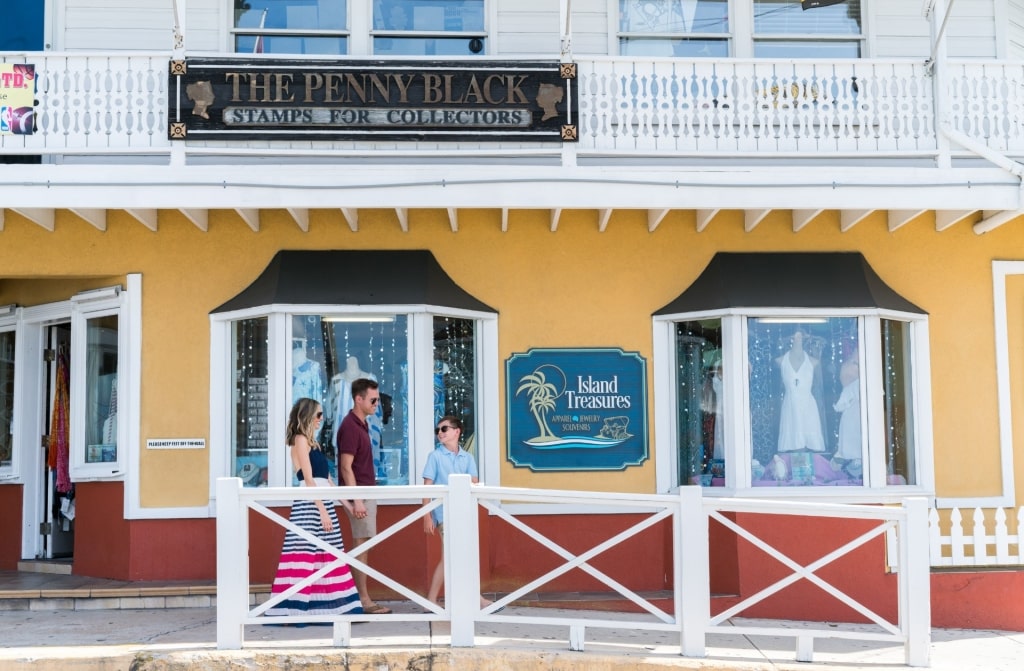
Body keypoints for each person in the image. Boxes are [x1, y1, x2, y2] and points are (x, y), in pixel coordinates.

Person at [266, 398, 362, 618]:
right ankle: (297, 609)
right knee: (305, 554)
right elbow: (309, 480)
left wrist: (346, 504)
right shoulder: (300, 440)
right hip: (310, 505)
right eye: (318, 415)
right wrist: (322, 510)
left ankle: (331, 607)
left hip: (322, 501)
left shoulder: (314, 443)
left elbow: (327, 480)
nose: (321, 419)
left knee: (328, 555)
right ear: (308, 416)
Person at [421, 415, 492, 608]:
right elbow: (427, 486)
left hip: (464, 514)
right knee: (451, 556)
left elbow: (474, 484)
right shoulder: (434, 456)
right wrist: (427, 515)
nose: (440, 433)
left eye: (444, 429)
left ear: (456, 431)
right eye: (438, 430)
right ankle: (472, 599)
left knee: (459, 556)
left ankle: (435, 600)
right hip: (444, 514)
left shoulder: (468, 457)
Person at [337, 377, 391, 614]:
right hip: (359, 494)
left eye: (377, 400)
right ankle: (362, 599)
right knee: (361, 544)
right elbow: (345, 466)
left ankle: (359, 597)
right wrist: (356, 499)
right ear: (358, 399)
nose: (377, 404)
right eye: (373, 400)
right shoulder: (349, 426)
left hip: (366, 490)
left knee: (365, 543)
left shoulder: (362, 423)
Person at [775, 329, 825, 453]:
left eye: (800, 335)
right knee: (793, 441)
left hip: (808, 407)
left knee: (809, 441)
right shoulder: (780, 361)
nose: (798, 337)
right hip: (790, 407)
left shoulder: (814, 362)